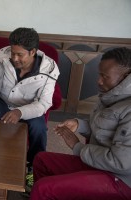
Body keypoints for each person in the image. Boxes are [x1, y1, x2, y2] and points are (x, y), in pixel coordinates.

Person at [30, 47, 131, 200]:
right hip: (98, 164)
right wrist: (79, 124)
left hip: (119, 179)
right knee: (41, 160)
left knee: (43, 188)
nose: (99, 81)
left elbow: (119, 162)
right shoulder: (112, 95)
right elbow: (103, 127)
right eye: (99, 74)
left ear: (126, 77)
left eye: (105, 76)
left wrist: (77, 147)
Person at [0, 28, 60, 165]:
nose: (14, 58)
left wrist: (20, 112)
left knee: (39, 129)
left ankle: (34, 165)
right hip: (3, 100)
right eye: (13, 53)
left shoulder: (49, 69)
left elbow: (44, 103)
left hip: (30, 106)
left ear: (32, 52)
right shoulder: (3, 55)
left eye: (19, 55)